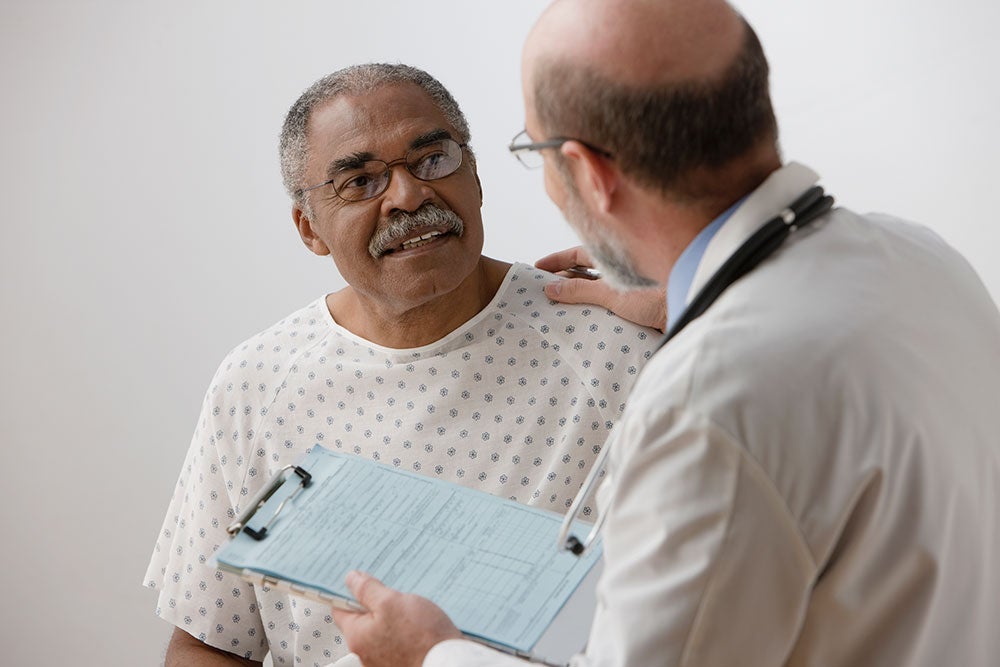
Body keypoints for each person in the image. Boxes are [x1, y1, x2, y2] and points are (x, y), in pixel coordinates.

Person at [331, 1, 1000, 666]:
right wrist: (693, 302)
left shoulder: (704, 401)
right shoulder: (922, 256)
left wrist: (432, 654)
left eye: (537, 153)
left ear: (589, 173)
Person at [142, 62, 662, 666]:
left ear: (475, 175)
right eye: (360, 181)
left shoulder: (617, 345)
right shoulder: (255, 384)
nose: (409, 196)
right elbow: (207, 642)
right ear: (309, 229)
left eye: (433, 159)